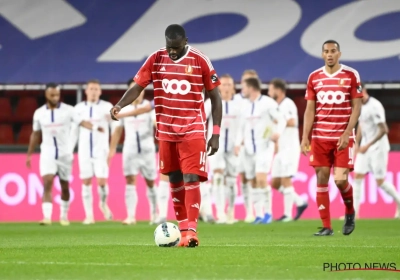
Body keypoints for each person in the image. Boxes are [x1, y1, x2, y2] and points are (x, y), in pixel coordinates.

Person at [110, 24, 222, 247]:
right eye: (169, 47)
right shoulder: (156, 59)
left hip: (193, 130)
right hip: (166, 132)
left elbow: (216, 98)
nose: (172, 52)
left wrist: (215, 133)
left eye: (177, 48)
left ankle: (191, 231)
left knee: (191, 178)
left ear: (185, 42)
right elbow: (138, 85)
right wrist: (120, 105)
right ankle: (182, 230)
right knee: (174, 179)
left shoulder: (200, 60)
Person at [301, 40, 362, 236]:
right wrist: (305, 137)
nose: (329, 54)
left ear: (339, 54)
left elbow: (357, 107)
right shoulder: (314, 77)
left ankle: (350, 212)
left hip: (343, 138)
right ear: (322, 55)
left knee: (340, 180)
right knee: (321, 177)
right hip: (320, 137)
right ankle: (327, 226)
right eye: (326, 51)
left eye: (333, 51)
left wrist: (347, 132)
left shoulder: (351, 75)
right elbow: (310, 110)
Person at [235, 77, 285, 224]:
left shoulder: (268, 103)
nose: (241, 90)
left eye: (243, 87)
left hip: (264, 147)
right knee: (253, 182)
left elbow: (281, 119)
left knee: (262, 179)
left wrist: (278, 132)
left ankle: (268, 213)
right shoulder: (244, 106)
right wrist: (238, 143)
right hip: (248, 149)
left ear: (251, 88)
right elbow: (241, 127)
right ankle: (258, 214)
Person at [109, 80, 159, 225]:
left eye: (140, 89)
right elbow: (117, 131)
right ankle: (131, 216)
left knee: (150, 182)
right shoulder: (123, 109)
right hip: (130, 150)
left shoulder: (149, 107)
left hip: (147, 150)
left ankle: (154, 214)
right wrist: (112, 150)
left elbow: (156, 124)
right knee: (130, 181)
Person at [26, 83, 75, 225]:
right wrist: (29, 154)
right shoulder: (39, 113)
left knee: (64, 186)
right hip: (47, 153)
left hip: (65, 154)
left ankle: (64, 216)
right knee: (47, 182)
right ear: (46, 95)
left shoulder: (68, 110)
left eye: (57, 95)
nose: (55, 97)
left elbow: (81, 122)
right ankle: (47, 217)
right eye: (52, 95)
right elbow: (35, 134)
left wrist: (94, 127)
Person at [353, 84, 400, 218]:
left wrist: (367, 145)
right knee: (357, 176)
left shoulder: (375, 106)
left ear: (364, 90)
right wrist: (357, 142)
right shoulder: (359, 106)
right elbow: (361, 124)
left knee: (380, 181)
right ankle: (354, 214)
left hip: (378, 148)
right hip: (364, 147)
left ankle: (399, 202)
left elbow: (384, 129)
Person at [72, 80, 113, 224]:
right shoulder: (78, 108)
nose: (94, 91)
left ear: (100, 92)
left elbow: (115, 124)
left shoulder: (107, 107)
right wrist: (71, 149)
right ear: (86, 91)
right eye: (91, 89)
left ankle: (103, 203)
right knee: (86, 181)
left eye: (96, 89)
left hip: (101, 150)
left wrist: (112, 146)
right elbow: (74, 130)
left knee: (102, 181)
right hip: (84, 150)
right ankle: (89, 215)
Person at [268, 78, 308, 222]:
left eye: (271, 89)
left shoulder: (288, 104)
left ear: (278, 90)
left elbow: (292, 122)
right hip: (280, 149)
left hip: (290, 148)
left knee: (285, 179)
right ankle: (300, 202)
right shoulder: (276, 106)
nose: (269, 92)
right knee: (275, 183)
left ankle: (287, 214)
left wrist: (279, 123)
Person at [205, 74, 241, 224]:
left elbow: (243, 125)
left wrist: (239, 143)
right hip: (215, 147)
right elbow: (201, 119)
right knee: (218, 176)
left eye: (229, 85)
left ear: (233, 87)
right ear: (219, 87)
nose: (226, 88)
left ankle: (231, 211)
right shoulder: (210, 102)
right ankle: (219, 212)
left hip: (233, 148)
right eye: (223, 85)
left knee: (231, 181)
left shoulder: (240, 104)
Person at [234, 69, 259, 223]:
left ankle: (259, 211)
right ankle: (248, 211)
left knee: (256, 178)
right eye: (245, 81)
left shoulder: (261, 101)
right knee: (243, 178)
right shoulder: (236, 99)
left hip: (256, 146)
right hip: (239, 145)